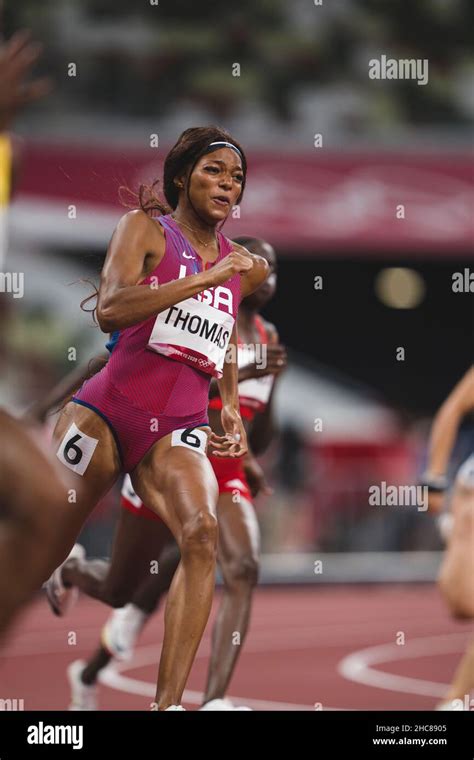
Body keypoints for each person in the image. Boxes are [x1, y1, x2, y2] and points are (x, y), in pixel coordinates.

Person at [42, 125, 269, 710]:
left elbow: (219, 337)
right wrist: (200, 278)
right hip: (105, 412)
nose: (227, 183)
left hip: (177, 427)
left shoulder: (241, 267)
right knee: (40, 545)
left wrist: (231, 406)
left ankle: (167, 707)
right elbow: (111, 309)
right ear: (182, 177)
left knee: (202, 535)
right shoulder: (145, 229)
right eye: (214, 170)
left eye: (236, 176)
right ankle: (55, 565)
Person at [420, 365, 474, 710]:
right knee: (460, 601)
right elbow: (453, 409)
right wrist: (435, 478)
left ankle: (455, 697)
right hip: (470, 495)